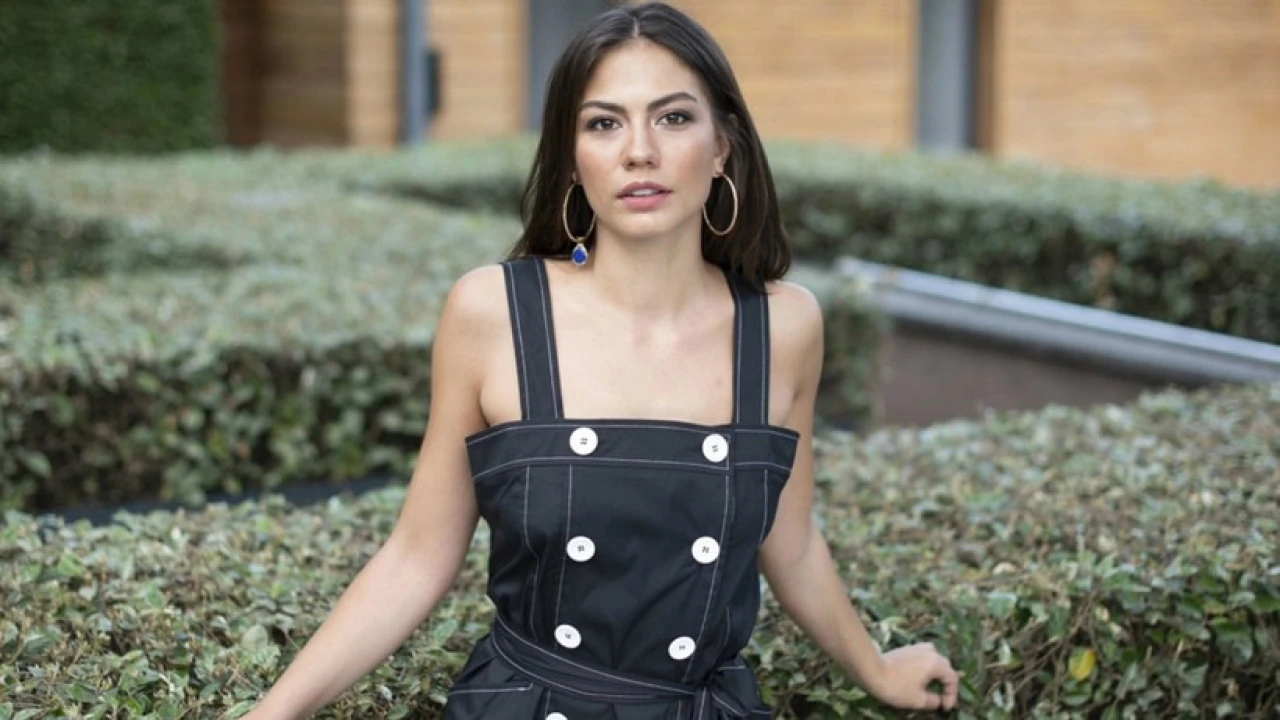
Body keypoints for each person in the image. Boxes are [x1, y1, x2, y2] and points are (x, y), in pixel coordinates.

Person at [243, 3, 960, 718]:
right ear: (571, 158)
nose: (639, 151)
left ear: (722, 147)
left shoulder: (783, 325)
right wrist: (270, 715)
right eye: (603, 123)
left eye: (673, 118)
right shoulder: (493, 312)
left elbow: (790, 540)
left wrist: (877, 669)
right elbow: (417, 556)